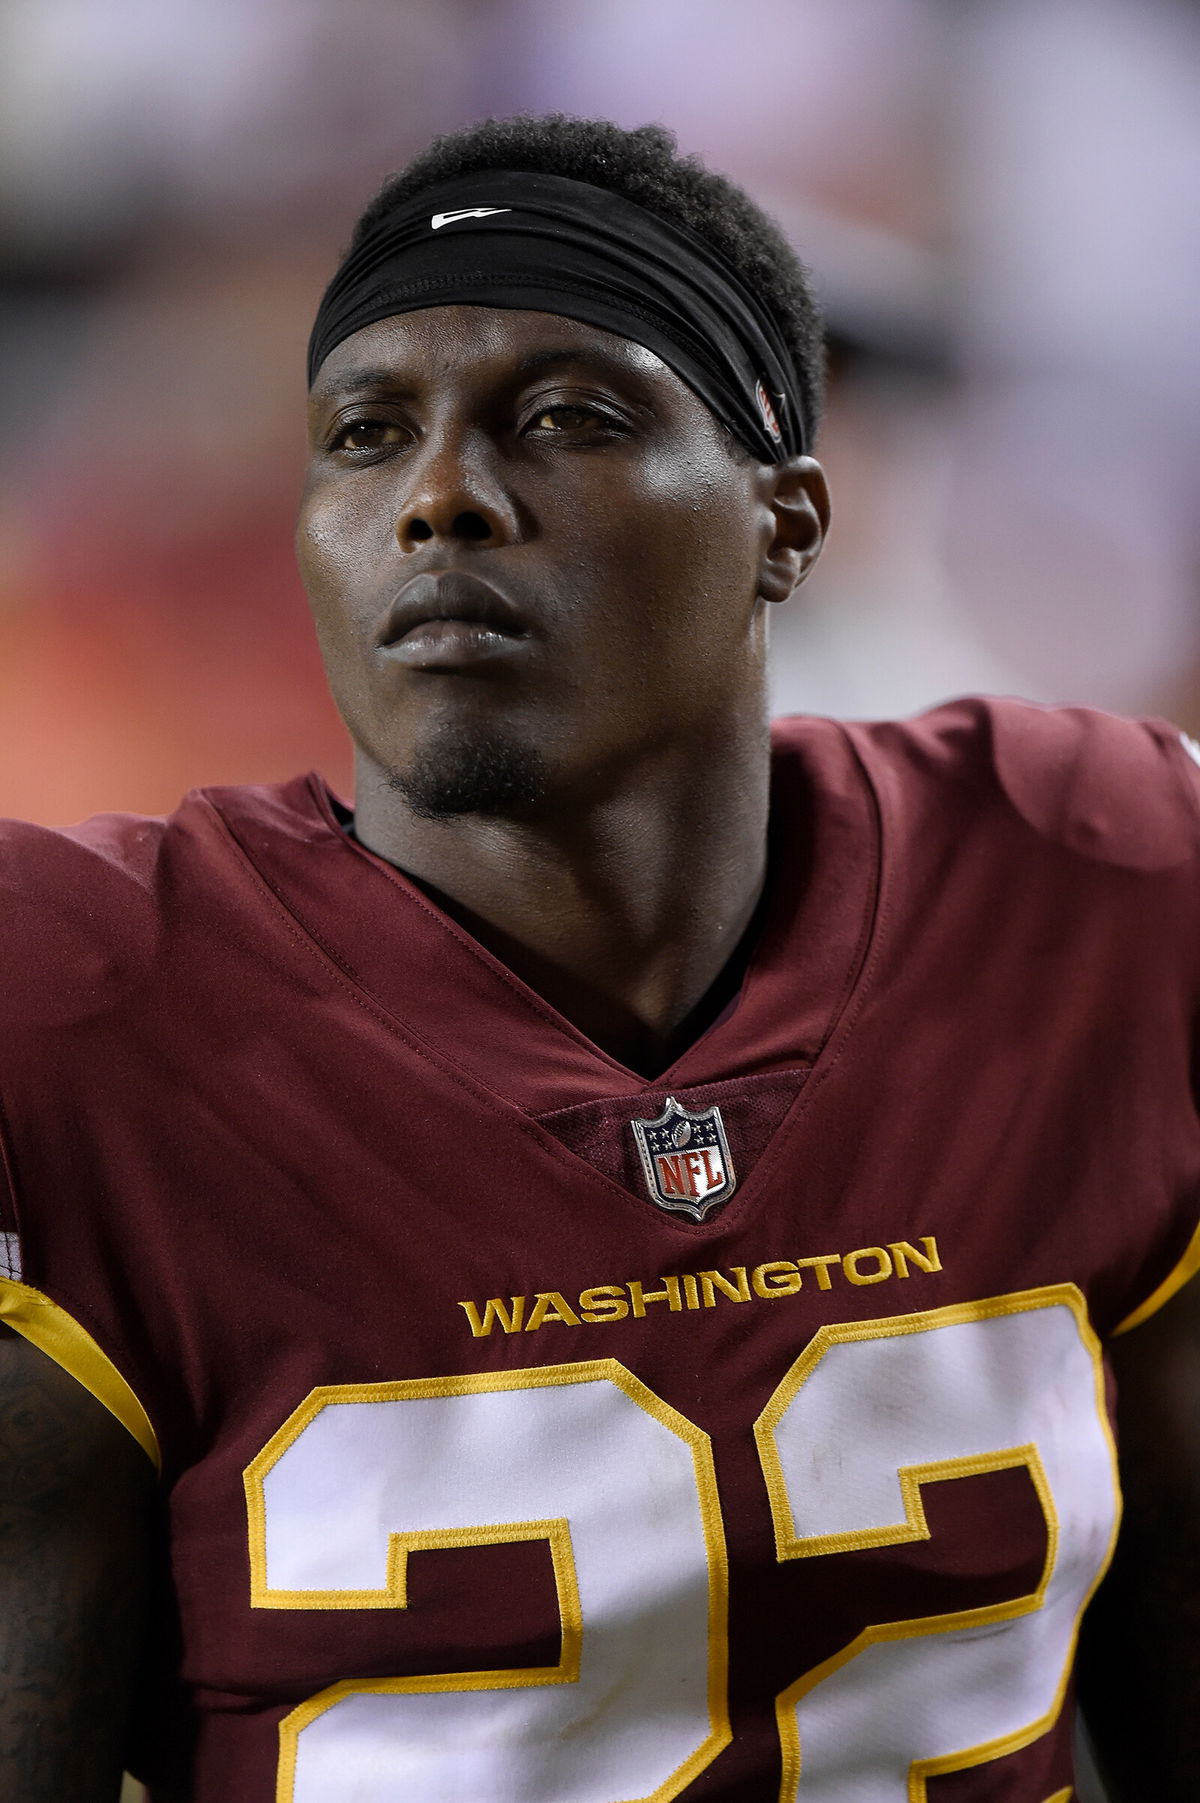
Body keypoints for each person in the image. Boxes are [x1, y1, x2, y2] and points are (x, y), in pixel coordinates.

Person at [0, 113, 1195, 1803]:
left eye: (568, 416)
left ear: (786, 524)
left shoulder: (1092, 883)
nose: (440, 499)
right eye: (365, 432)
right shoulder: (83, 1013)